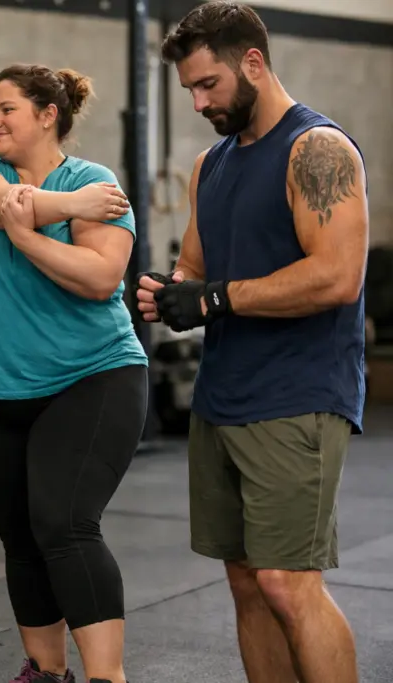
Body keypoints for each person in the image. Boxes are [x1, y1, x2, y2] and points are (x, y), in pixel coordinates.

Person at [136, 3, 368, 683]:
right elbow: (199, 268)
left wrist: (213, 297)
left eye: (208, 85)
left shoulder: (317, 149)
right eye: (190, 91)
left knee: (287, 583)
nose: (200, 102)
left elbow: (336, 276)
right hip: (223, 395)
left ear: (254, 63)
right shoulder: (211, 165)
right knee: (244, 580)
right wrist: (169, 289)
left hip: (298, 395)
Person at [0, 62, 149, 683]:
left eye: (7, 109)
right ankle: (46, 670)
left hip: (90, 379)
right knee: (21, 538)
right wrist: (61, 210)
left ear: (47, 114)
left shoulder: (97, 182)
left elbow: (98, 277)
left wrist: (26, 236)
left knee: (63, 524)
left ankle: (106, 678)